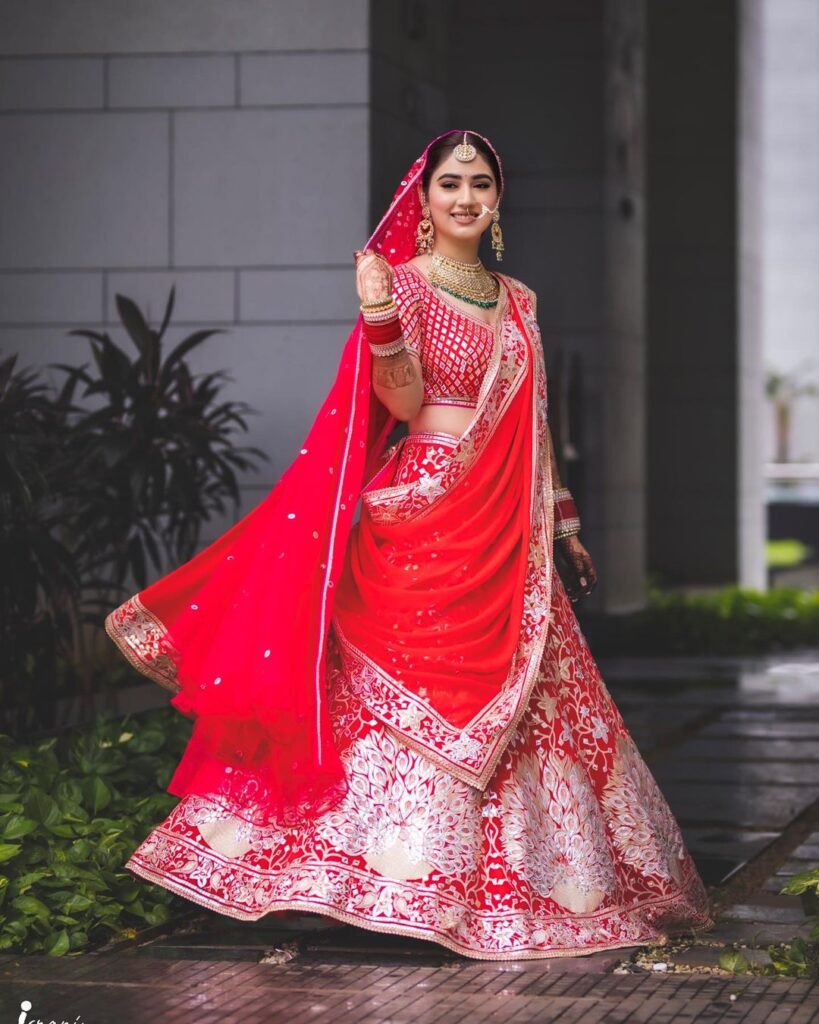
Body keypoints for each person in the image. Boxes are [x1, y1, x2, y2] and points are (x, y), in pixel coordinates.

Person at [106, 129, 714, 959]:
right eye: (450, 184)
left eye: (481, 184)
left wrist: (563, 523)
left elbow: (537, 425)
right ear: (423, 199)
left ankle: (516, 888)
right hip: (424, 509)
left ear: (498, 200)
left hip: (508, 530)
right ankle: (358, 880)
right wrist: (381, 314)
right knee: (384, 685)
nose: (465, 198)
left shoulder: (521, 300)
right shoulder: (401, 286)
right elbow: (399, 398)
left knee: (534, 695)